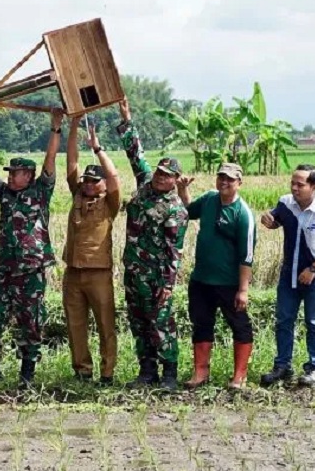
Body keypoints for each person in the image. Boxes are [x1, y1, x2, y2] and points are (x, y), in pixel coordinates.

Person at [0, 109, 64, 388]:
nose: (10, 177)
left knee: (30, 322)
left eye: (17, 173)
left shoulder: (40, 192)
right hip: (4, 271)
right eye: (10, 173)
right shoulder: (5, 195)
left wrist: (55, 129)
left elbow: (50, 161)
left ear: (29, 175)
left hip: (31, 272)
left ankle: (27, 374)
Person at [115, 99, 189, 391]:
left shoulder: (175, 209)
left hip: (158, 276)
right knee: (138, 322)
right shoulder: (144, 183)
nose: (160, 177)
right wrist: (127, 118)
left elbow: (175, 251)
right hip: (134, 271)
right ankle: (147, 372)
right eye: (159, 172)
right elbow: (135, 152)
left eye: (167, 176)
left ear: (175, 180)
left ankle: (169, 373)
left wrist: (168, 284)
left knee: (161, 324)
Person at [258, 164, 315, 388]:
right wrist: (268, 220)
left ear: (314, 187)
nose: (295, 188)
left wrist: (313, 269)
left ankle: (314, 368)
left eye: (300, 184)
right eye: (292, 183)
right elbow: (275, 220)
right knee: (284, 321)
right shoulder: (286, 203)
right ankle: (282, 366)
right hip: (289, 275)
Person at [178, 164, 257, 390]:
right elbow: (189, 211)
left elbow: (247, 257)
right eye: (221, 177)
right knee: (201, 324)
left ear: (239, 183)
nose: (224, 182)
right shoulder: (209, 199)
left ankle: (239, 376)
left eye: (230, 179)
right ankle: (200, 373)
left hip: (229, 283)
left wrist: (243, 290)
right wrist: (182, 190)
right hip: (201, 280)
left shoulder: (243, 215)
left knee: (240, 326)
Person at [61, 117, 121, 384]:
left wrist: (97, 148)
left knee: (106, 325)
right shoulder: (77, 195)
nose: (87, 184)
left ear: (103, 184)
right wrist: (73, 126)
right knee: (75, 325)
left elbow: (114, 176)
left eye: (94, 181)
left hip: (99, 274)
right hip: (72, 273)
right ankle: (82, 371)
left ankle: (107, 373)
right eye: (86, 181)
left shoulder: (110, 203)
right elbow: (71, 163)